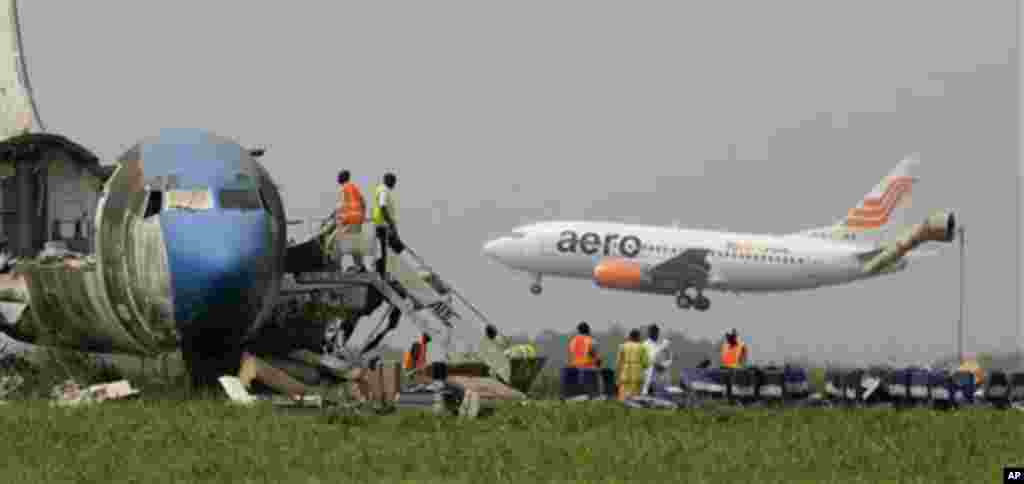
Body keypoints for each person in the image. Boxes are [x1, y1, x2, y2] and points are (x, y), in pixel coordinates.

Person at [336, 170, 367, 273]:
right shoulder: (353, 187)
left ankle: (336, 266)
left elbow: (342, 207)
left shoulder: (344, 188)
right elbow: (363, 202)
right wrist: (362, 216)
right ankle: (360, 266)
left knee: (339, 242)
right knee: (354, 244)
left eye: (339, 176)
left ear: (343, 178)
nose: (337, 178)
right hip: (356, 220)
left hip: (350, 220)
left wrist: (339, 219)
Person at [372, 172, 400, 279]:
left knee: (385, 249)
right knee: (384, 250)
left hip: (382, 224)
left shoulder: (382, 190)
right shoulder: (384, 191)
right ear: (389, 181)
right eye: (393, 182)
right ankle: (381, 272)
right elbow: (383, 207)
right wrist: (390, 222)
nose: (394, 185)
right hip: (382, 224)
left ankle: (383, 271)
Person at [616, 329, 650, 401]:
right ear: (638, 337)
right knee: (635, 396)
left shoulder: (622, 346)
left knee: (623, 394)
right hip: (637, 373)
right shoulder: (642, 347)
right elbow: (646, 364)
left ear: (630, 337)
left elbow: (619, 362)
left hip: (625, 372)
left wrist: (617, 375)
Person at [642, 323, 673, 395]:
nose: (653, 334)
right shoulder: (645, 344)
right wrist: (654, 364)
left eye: (655, 332)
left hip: (662, 372)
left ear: (658, 332)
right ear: (649, 333)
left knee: (663, 392)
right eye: (651, 332)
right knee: (647, 392)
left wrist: (665, 365)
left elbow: (670, 357)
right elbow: (644, 359)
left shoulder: (663, 343)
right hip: (650, 372)